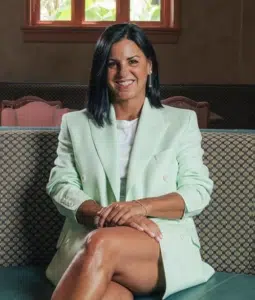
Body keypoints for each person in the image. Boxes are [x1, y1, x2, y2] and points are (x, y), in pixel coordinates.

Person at [46, 23, 215, 300]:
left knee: (102, 245)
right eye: (113, 64)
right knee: (111, 295)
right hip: (91, 240)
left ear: (149, 66)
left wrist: (139, 208)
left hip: (158, 244)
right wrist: (105, 215)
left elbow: (197, 190)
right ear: (103, 71)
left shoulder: (180, 122)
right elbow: (61, 185)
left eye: (133, 61)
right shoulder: (75, 124)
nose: (124, 72)